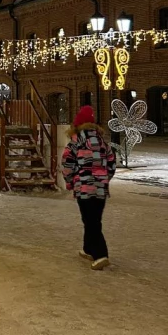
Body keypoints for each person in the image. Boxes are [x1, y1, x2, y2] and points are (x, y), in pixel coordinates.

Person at [62, 105, 116, 270]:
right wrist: (104, 178)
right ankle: (88, 249)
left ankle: (101, 254)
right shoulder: (103, 143)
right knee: (93, 219)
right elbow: (112, 164)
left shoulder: (75, 142)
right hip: (100, 188)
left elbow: (67, 164)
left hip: (84, 186)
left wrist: (70, 181)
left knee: (90, 221)